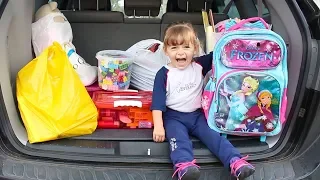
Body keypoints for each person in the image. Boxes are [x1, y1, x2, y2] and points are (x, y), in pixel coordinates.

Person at [150, 22, 255, 180]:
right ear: (166, 51)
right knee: (178, 140)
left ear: (195, 48)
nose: (180, 52)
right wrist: (158, 127)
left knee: (214, 137)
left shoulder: (199, 65)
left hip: (198, 115)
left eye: (186, 47)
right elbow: (157, 103)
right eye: (174, 48)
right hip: (173, 117)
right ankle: (184, 167)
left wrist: (237, 35)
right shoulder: (164, 73)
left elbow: (220, 51)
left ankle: (235, 162)